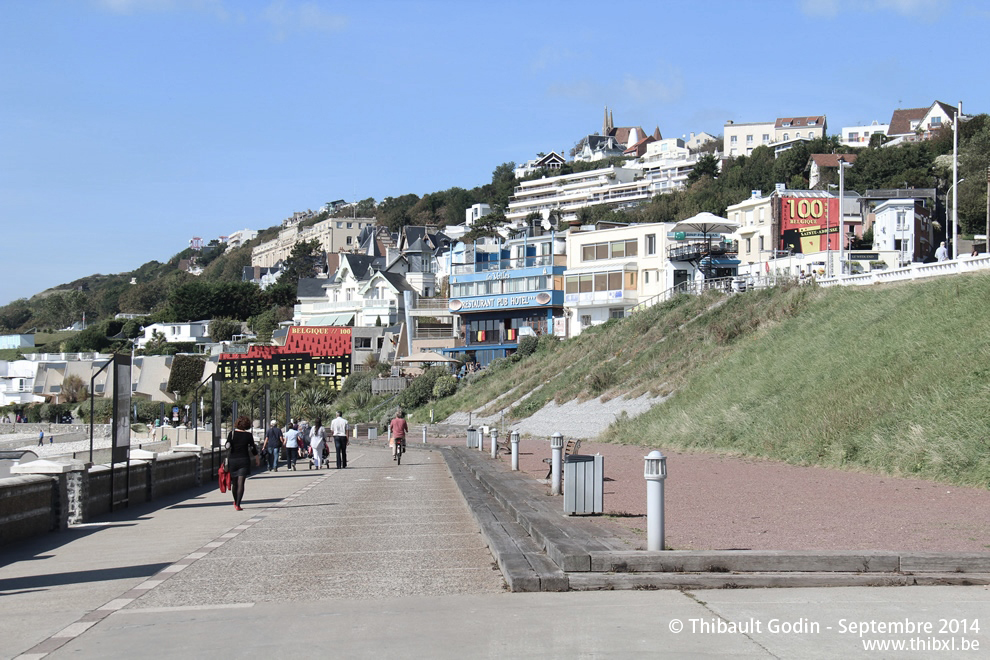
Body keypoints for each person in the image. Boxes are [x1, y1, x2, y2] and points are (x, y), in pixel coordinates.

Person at [225, 415, 259, 511]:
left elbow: (227, 445)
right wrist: (257, 458)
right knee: (241, 483)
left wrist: (229, 444)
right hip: (244, 460)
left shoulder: (232, 434)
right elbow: (252, 448)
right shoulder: (248, 435)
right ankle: (238, 504)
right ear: (247, 425)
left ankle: (235, 501)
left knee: (234, 483)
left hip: (233, 460)